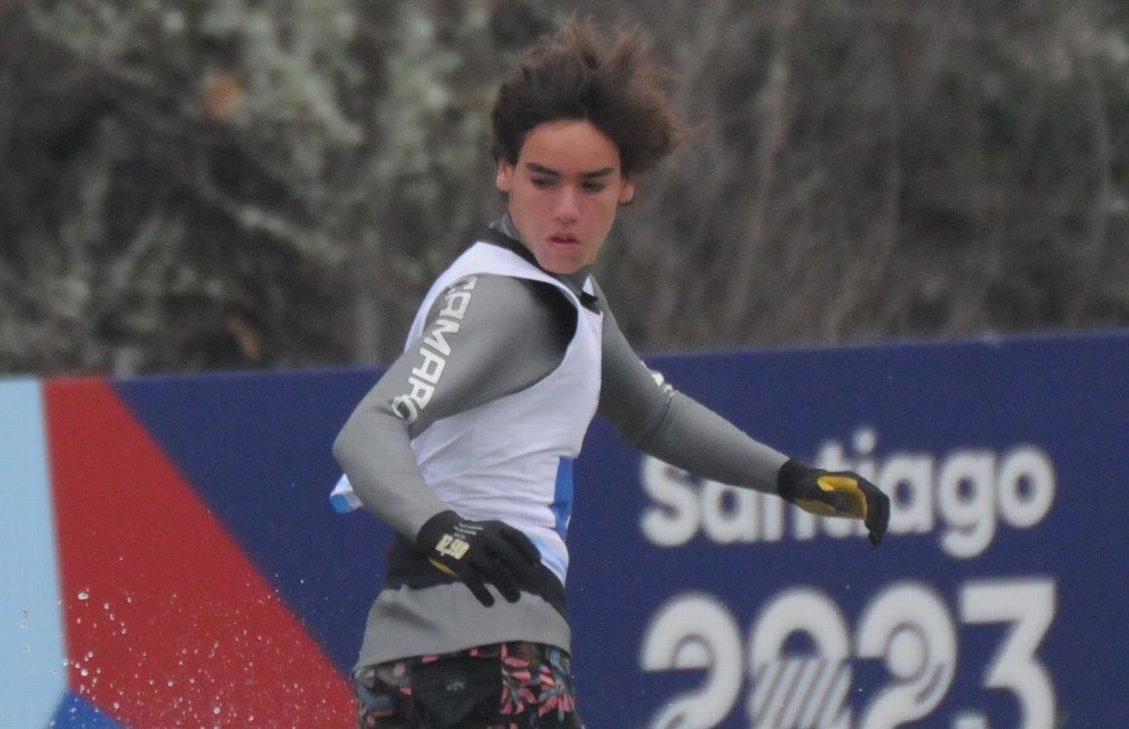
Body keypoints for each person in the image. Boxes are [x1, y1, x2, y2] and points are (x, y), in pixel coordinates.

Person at [330, 17, 890, 728]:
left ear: (628, 186)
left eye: (592, 184)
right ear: (503, 170)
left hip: (440, 665)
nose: (567, 210)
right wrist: (448, 532)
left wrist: (792, 478)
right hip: (483, 663)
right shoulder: (512, 300)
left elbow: (652, 413)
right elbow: (368, 428)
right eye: (543, 180)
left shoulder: (567, 298)